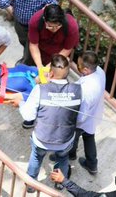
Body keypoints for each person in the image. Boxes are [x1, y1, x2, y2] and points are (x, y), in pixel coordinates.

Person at [19, 54, 80, 193]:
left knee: (36, 157)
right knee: (63, 159)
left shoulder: (40, 89)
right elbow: (80, 117)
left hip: (42, 139)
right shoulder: (78, 90)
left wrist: (21, 103)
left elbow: (28, 115)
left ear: (50, 73)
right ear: (68, 73)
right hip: (65, 139)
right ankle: (60, 184)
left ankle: (31, 184)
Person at [0, 0, 57, 64]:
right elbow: (1, 4)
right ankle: (28, 58)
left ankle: (25, 62)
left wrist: (46, 10)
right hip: (19, 22)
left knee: (30, 46)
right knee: (23, 42)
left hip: (35, 26)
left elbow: (54, 7)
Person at [69, 51, 106, 174]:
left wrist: (74, 122)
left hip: (83, 118)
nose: (77, 67)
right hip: (94, 113)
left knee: (73, 137)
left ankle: (70, 154)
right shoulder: (99, 71)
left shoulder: (87, 89)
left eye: (78, 66)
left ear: (85, 70)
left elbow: (81, 115)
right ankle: (92, 165)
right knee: (89, 137)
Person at [27, 4, 79, 71]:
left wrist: (49, 66)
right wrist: (39, 66)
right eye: (50, 26)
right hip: (39, 51)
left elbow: (67, 49)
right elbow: (34, 44)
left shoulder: (71, 26)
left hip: (59, 54)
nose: (54, 29)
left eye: (58, 26)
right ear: (44, 19)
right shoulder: (35, 21)